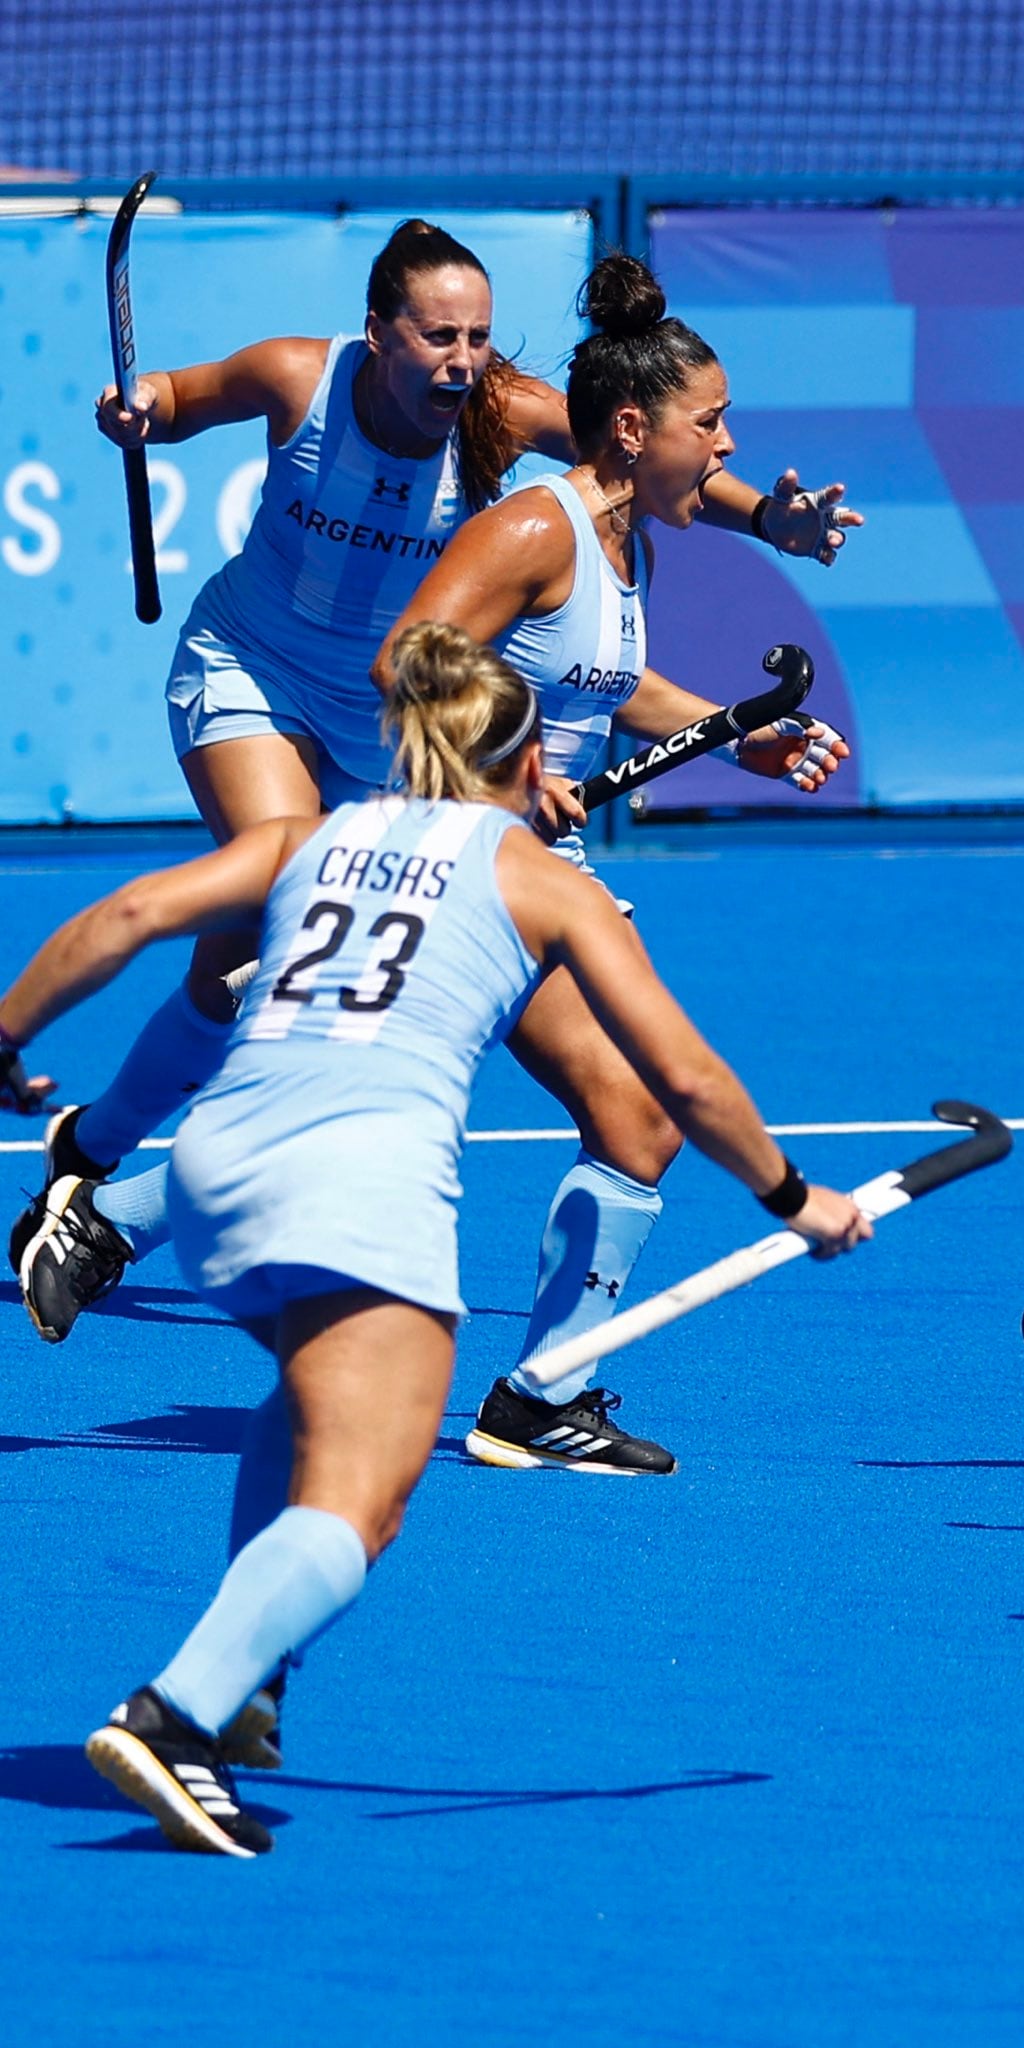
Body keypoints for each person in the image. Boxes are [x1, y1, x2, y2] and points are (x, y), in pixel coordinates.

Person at [0, 621, 869, 1857]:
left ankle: (247, 1681)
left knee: (308, 1404)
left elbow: (133, 911)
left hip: (210, 1174)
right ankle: (176, 1711)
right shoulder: (544, 880)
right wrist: (798, 1199)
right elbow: (680, 1076)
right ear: (530, 767)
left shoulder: (312, 833)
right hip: (361, 1189)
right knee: (364, 1501)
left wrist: (4, 1036)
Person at [15, 220, 858, 1341]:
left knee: (254, 980)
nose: (464, 361)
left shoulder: (525, 437)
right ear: (379, 332)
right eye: (439, 335)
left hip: (404, 730)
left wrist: (769, 531)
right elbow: (178, 399)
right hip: (264, 667)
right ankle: (110, 1184)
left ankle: (95, 1167)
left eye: (481, 338)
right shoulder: (319, 389)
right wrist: (144, 413)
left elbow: (655, 461)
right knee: (275, 928)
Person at [373, 253, 847, 1474]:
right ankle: (538, 1397)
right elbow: (407, 661)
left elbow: (608, 684)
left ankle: (542, 1395)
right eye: (712, 424)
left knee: (623, 1117)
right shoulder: (536, 523)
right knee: (625, 1110)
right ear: (634, 429)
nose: (729, 448)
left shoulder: (628, 545)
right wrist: (520, 768)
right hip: (468, 855)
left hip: (530, 859)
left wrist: (738, 738)